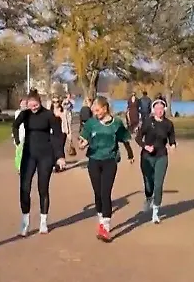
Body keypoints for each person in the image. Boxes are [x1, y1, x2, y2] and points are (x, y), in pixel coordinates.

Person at [79, 96, 135, 242]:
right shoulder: (91, 123)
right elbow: (82, 140)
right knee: (98, 193)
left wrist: (130, 155)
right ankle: (101, 220)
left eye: (97, 110)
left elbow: (125, 139)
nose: (95, 113)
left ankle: (106, 227)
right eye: (94, 111)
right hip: (94, 161)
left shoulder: (116, 123)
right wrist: (83, 144)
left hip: (110, 161)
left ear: (105, 108)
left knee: (105, 193)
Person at [11, 91, 67, 237]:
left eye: (36, 105)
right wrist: (17, 141)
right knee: (24, 188)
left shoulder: (48, 115)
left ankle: (43, 221)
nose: (34, 108)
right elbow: (15, 126)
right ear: (27, 104)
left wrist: (60, 156)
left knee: (43, 187)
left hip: (45, 155)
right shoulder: (25, 114)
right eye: (31, 106)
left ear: (40, 103)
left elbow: (57, 135)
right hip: (28, 155)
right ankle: (25, 222)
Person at [137, 98, 176, 223]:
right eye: (157, 109)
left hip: (161, 156)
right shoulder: (147, 122)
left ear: (164, 109)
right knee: (149, 184)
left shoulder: (168, 124)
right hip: (147, 157)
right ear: (153, 110)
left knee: (158, 185)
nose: (159, 111)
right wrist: (145, 146)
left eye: (161, 109)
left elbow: (172, 138)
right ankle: (149, 197)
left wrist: (173, 145)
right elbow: (138, 138)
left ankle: (155, 213)